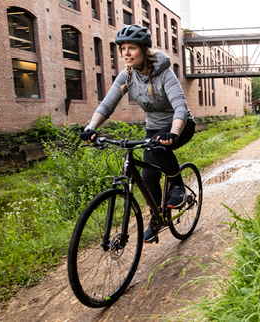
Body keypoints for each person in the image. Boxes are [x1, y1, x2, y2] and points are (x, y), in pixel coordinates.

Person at [80, 25, 195, 242]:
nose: (126, 53)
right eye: (123, 48)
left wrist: (173, 132)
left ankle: (178, 185)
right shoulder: (127, 76)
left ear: (144, 50)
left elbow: (180, 106)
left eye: (131, 48)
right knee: (148, 177)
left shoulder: (164, 74)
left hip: (181, 124)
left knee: (160, 146)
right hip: (153, 128)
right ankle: (157, 217)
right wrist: (91, 127)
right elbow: (106, 106)